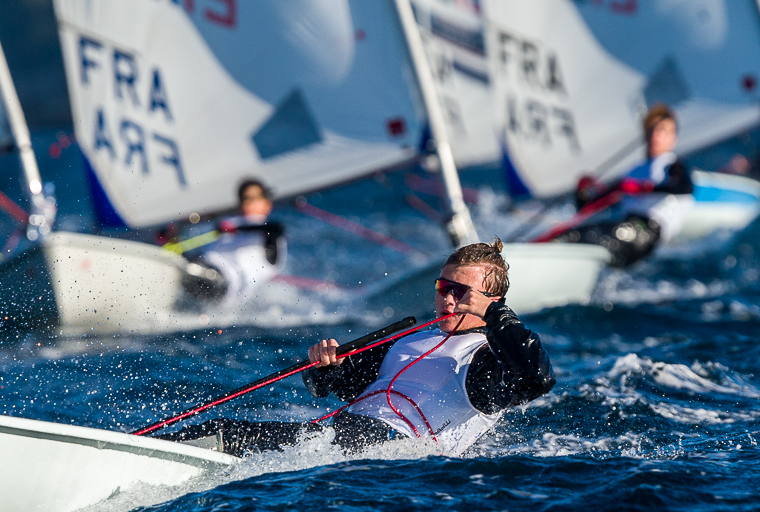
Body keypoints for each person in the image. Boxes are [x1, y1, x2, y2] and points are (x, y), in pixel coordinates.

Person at [166, 240, 554, 457]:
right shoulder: (408, 340)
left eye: (462, 292)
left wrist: (499, 316)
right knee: (219, 431)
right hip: (335, 436)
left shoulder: (485, 361)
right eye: (443, 288)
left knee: (241, 438)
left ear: (492, 300)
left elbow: (537, 377)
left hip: (390, 455)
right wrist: (325, 368)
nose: (448, 300)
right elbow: (327, 388)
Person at [555, 104, 692, 266]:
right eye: (652, 129)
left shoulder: (672, 165)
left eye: (663, 130)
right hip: (625, 228)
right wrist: (582, 192)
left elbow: (685, 188)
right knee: (573, 235)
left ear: (673, 138)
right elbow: (587, 208)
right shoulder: (633, 172)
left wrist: (644, 188)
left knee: (585, 236)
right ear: (645, 134)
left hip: (646, 232)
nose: (656, 135)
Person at [190, 179, 287, 297]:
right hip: (204, 267)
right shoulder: (228, 223)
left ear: (267, 204)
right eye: (245, 199)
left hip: (226, 284)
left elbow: (277, 228)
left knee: (199, 275)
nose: (249, 203)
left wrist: (238, 229)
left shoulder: (268, 232)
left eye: (254, 198)